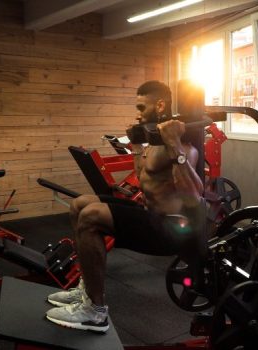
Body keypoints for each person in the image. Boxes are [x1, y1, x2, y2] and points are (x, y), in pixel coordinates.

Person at [45, 80, 205, 332]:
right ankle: (86, 291)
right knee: (80, 204)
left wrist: (174, 145)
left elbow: (193, 196)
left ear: (160, 104)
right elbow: (143, 177)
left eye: (142, 106)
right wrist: (136, 146)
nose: (138, 112)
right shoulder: (154, 140)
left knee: (91, 216)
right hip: (151, 217)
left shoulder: (182, 142)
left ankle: (94, 312)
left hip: (172, 229)